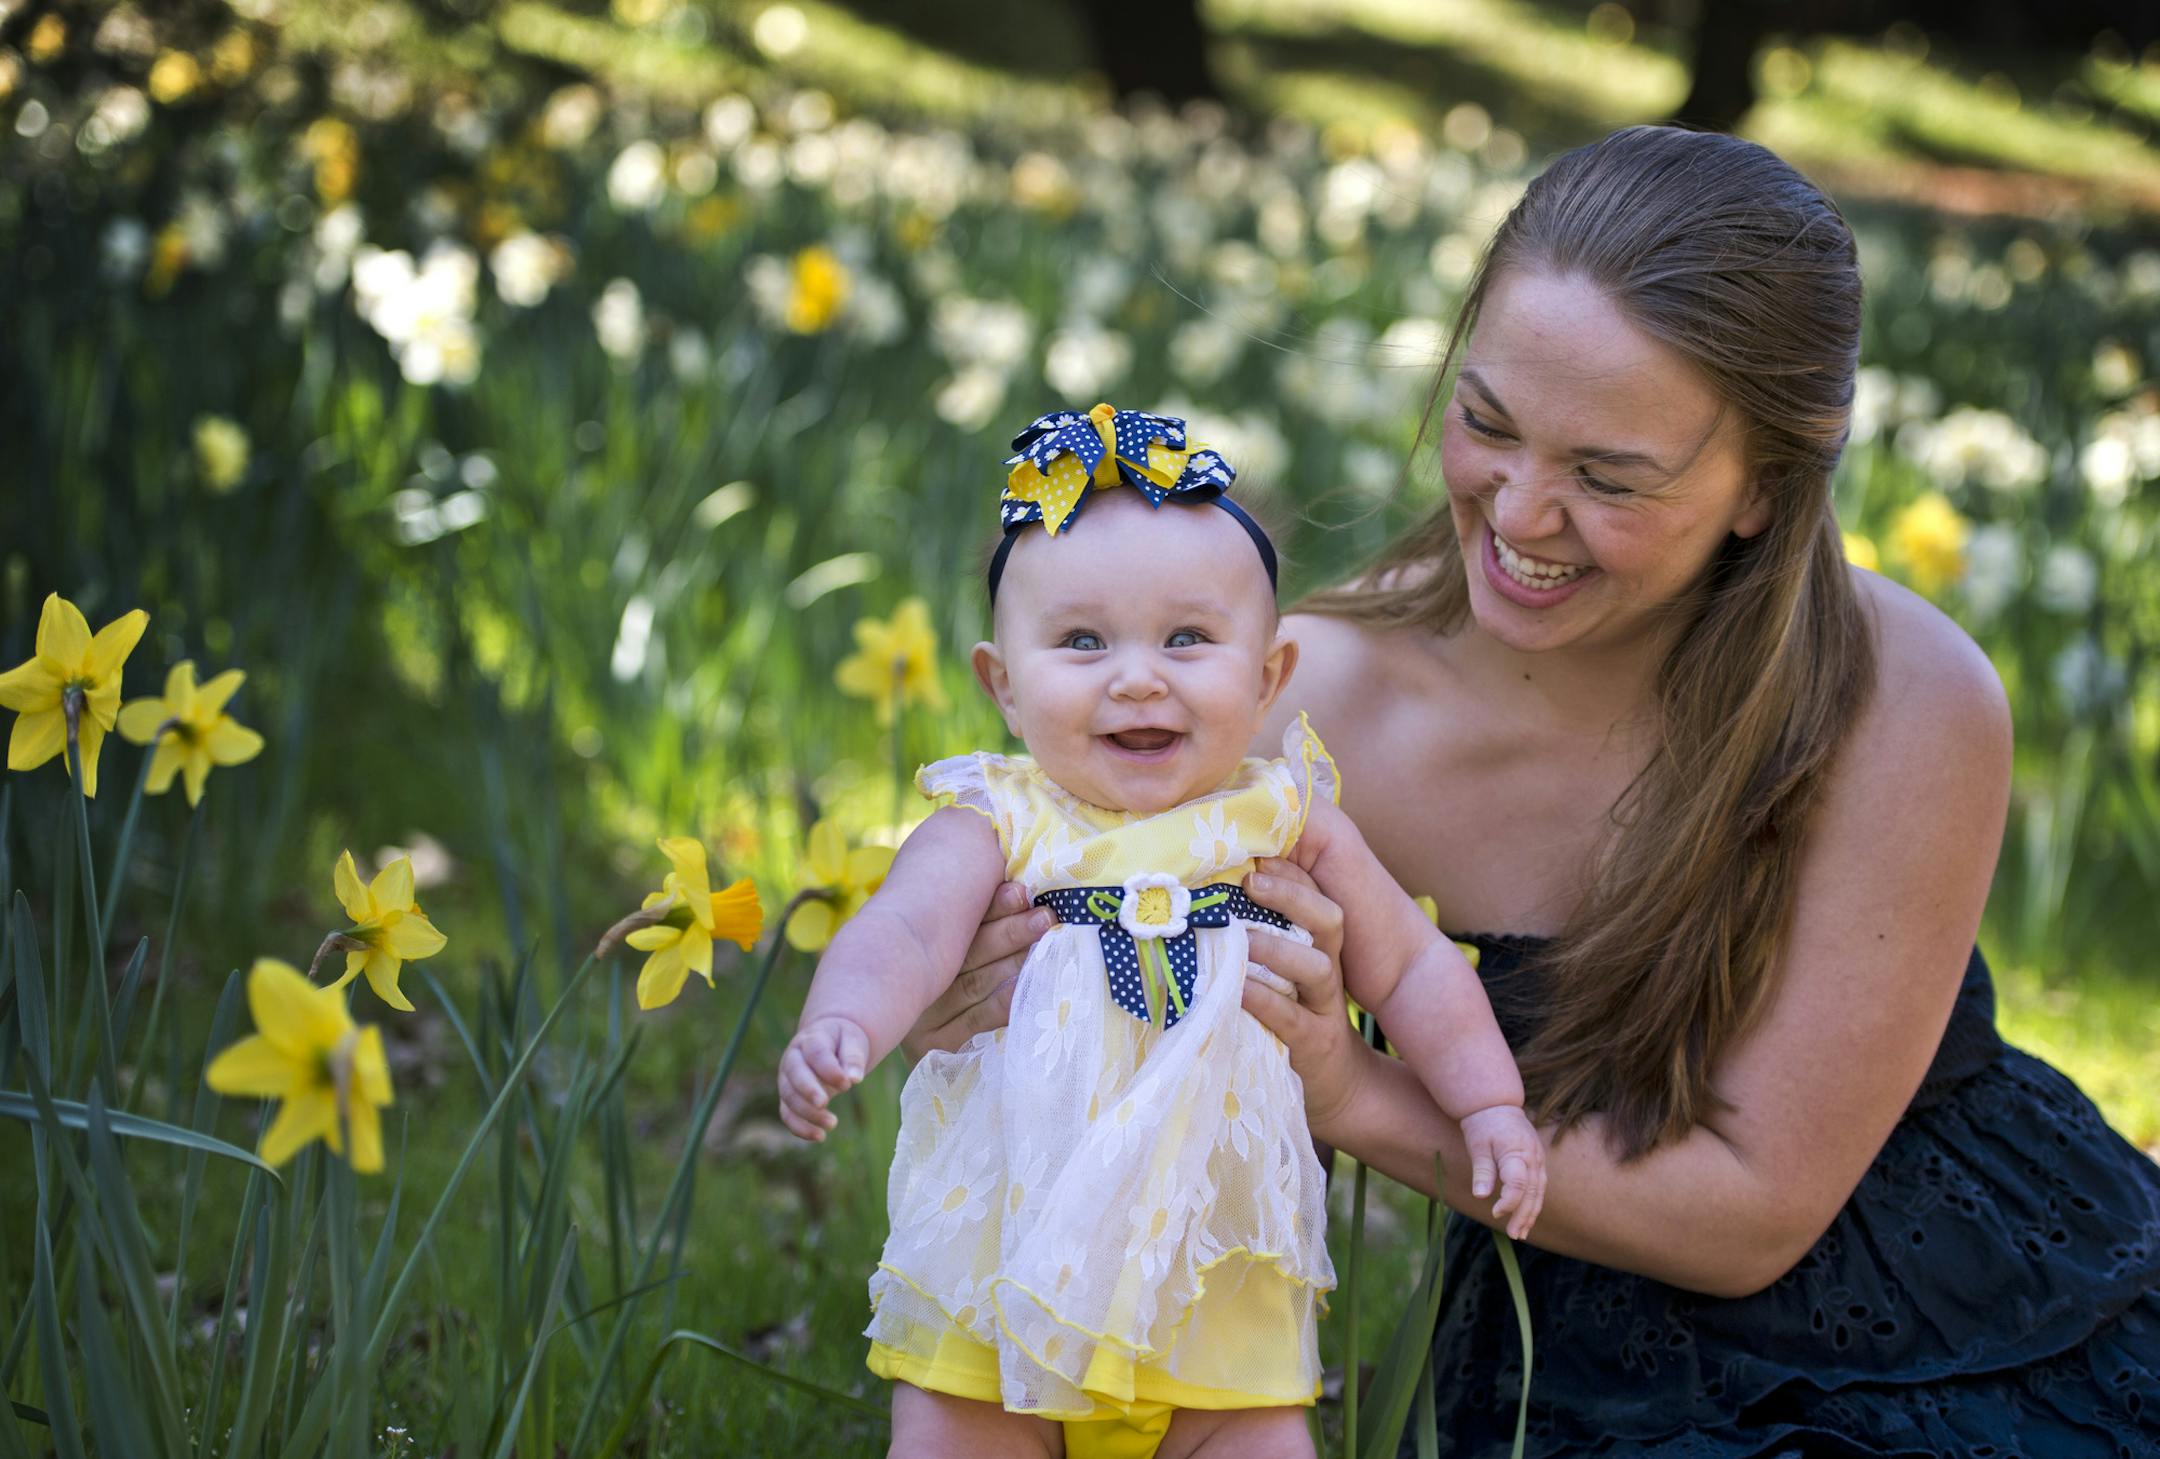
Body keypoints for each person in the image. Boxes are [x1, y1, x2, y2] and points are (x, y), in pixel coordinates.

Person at [917, 128, 2160, 1456]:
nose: (1518, 512)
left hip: (1997, 1292)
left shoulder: (1907, 695)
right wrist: (983, 999)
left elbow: (1753, 1212)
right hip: (1578, 1338)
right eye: (1485, 422)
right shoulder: (1309, 714)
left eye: (1608, 478)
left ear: (1764, 488)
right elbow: (1145, 1097)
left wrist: (1354, 1094)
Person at [777, 404, 1546, 1459]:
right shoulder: (997, 823)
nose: (1138, 675)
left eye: (1187, 638)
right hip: (1003, 1286)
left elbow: (1411, 966)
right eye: (1083, 641)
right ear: (1000, 684)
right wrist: (844, 1023)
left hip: (1215, 1283)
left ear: (1269, 678)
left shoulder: (1283, 821)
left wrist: (1490, 1103)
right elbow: (902, 931)